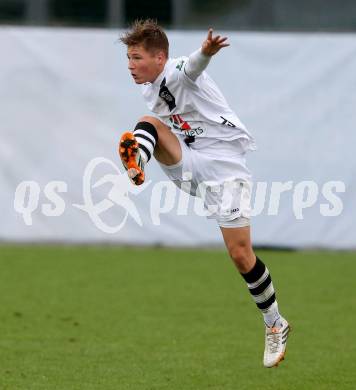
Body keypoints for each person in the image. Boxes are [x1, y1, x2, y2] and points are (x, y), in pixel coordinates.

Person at [118, 19, 290, 368]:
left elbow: (192, 66)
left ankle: (275, 322)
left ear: (160, 57)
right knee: (149, 123)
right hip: (192, 162)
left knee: (241, 255)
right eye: (128, 58)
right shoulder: (149, 89)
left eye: (136, 57)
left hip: (225, 169)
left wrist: (206, 52)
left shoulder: (177, 70)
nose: (130, 66)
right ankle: (138, 159)